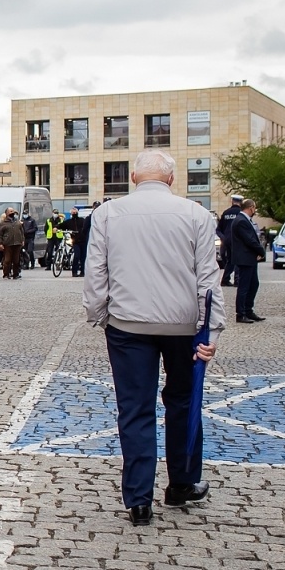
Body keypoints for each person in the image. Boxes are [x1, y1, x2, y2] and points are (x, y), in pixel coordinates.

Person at [82, 150, 221, 526]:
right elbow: (208, 279)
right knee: (184, 402)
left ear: (133, 178)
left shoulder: (107, 214)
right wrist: (211, 329)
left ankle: (139, 499)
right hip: (183, 326)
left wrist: (99, 314)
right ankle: (182, 484)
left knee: (135, 408)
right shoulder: (196, 214)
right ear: (172, 179)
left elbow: (96, 272)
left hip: (128, 325)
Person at [228, 198, 265, 322]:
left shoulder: (244, 220)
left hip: (249, 258)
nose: (255, 210)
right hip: (244, 258)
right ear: (251, 208)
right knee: (244, 287)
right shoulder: (241, 221)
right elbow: (249, 240)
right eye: (254, 208)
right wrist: (261, 251)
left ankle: (248, 311)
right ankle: (241, 313)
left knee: (253, 284)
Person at [216, 195, 244, 288]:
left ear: (232, 201)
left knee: (230, 260)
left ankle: (225, 279)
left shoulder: (226, 213)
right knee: (238, 259)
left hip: (227, 240)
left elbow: (218, 229)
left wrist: (223, 238)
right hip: (238, 240)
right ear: (241, 202)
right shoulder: (241, 213)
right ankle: (237, 280)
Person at [0, 207, 25, 279]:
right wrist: (0, 243)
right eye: (10, 211)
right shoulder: (3, 223)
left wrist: (22, 240)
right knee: (7, 260)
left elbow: (21, 232)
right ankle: (6, 274)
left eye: (13, 211)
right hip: (7, 244)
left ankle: (16, 274)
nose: (12, 213)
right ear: (6, 213)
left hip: (17, 243)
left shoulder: (17, 222)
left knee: (16, 260)